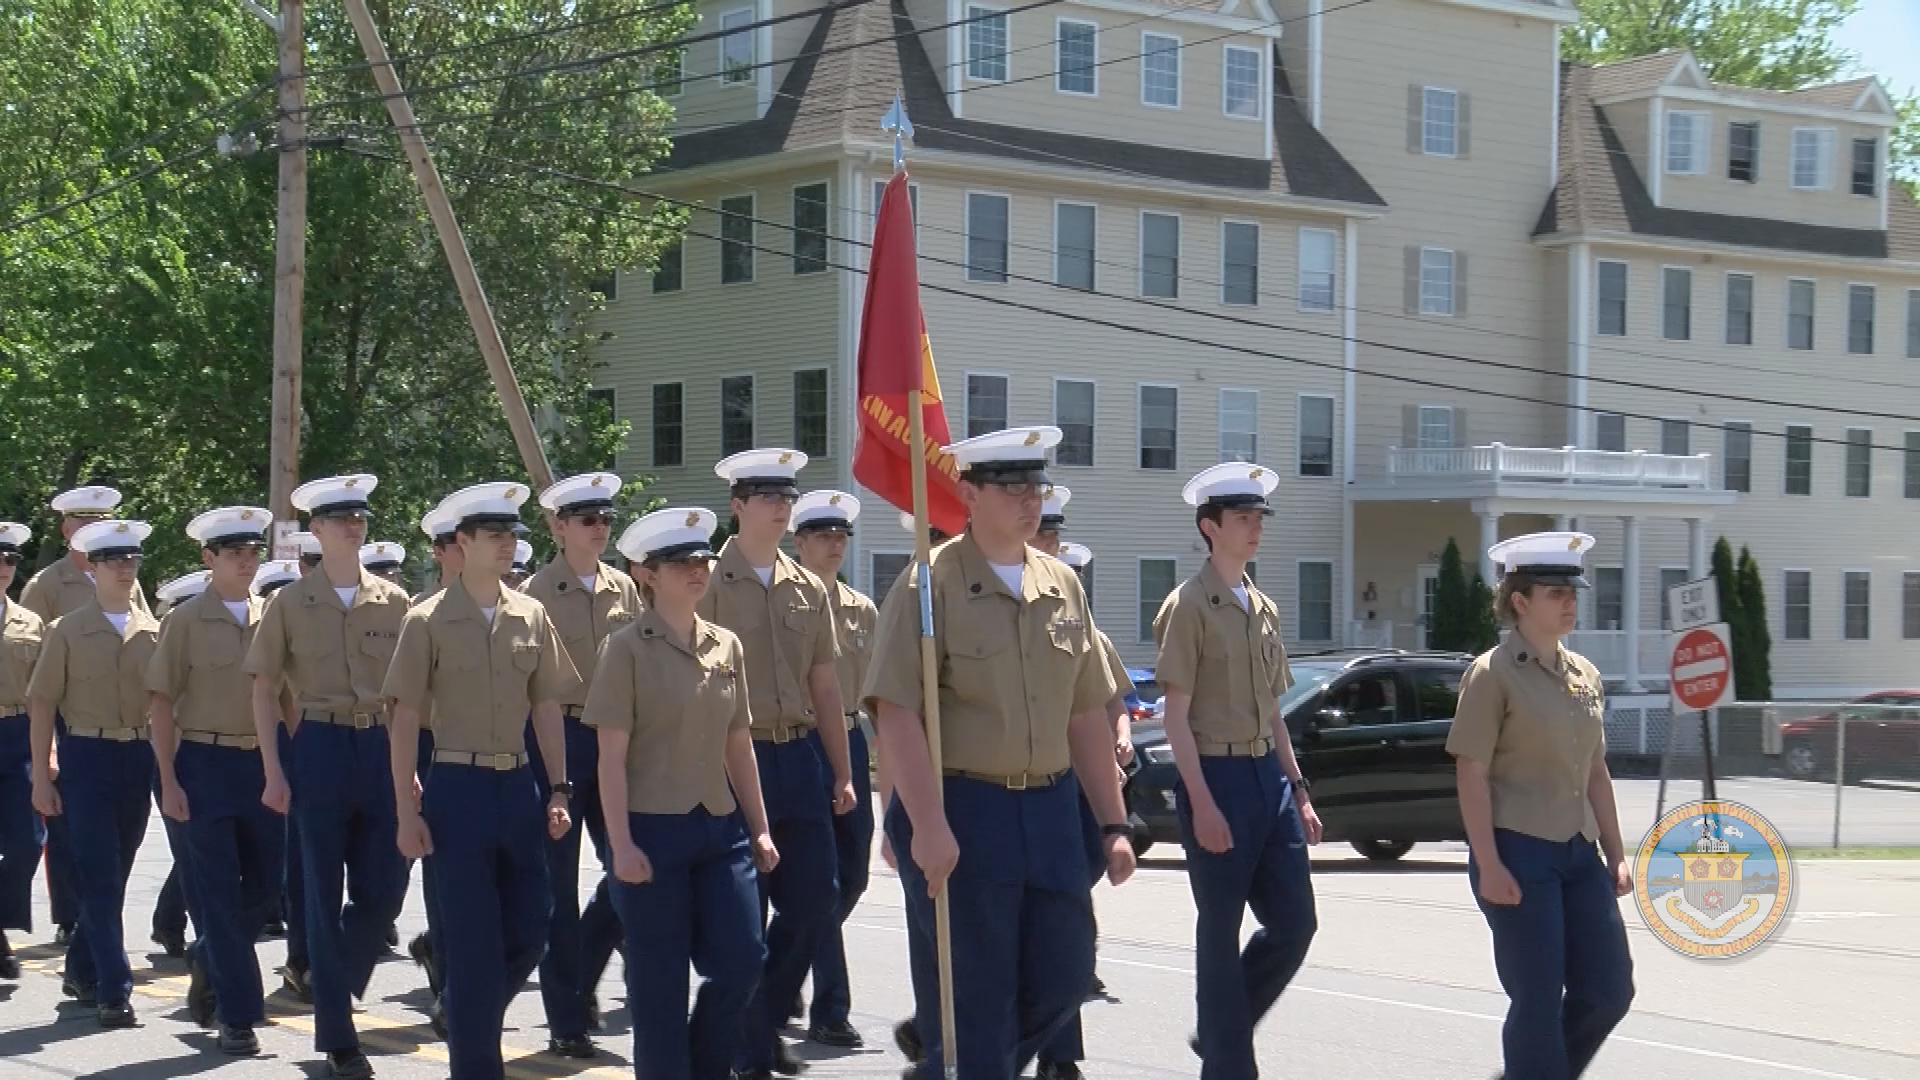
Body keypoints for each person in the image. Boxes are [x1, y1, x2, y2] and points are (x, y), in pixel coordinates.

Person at [865, 425, 1135, 1080]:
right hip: (965, 806)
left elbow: (1084, 713)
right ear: (968, 493)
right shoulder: (928, 585)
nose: (1029, 500)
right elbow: (897, 712)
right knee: (981, 998)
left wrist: (1114, 822)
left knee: (1067, 974)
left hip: (1048, 810)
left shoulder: (1061, 584)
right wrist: (925, 824)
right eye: (1011, 487)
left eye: (1035, 486)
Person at [385, 480, 577, 1080]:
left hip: (518, 788)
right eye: (494, 536)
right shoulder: (427, 621)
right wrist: (406, 809)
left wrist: (560, 787)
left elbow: (546, 706)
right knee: (470, 946)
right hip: (456, 789)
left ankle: (466, 1016)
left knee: (531, 930)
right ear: (461, 544)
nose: (506, 546)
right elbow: (404, 715)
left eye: (511, 536)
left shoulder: (532, 614)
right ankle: (475, 1064)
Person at [584, 506, 776, 1080]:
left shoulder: (726, 646)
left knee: (744, 961)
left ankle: (703, 1065)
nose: (697, 570)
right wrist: (619, 847)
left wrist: (760, 826)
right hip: (651, 830)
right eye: (681, 562)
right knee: (659, 982)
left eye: (702, 559)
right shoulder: (625, 649)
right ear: (647, 573)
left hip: (720, 827)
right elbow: (610, 758)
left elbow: (738, 744)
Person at [1152, 462, 1321, 1080]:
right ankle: (1229, 1064)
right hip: (1215, 779)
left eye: (1258, 519)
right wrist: (1202, 802)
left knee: (1296, 922)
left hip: (1267, 782)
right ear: (1210, 527)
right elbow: (1175, 718)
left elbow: (1275, 713)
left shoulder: (1264, 607)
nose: (1255, 529)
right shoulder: (1188, 606)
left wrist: (1299, 791)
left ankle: (1222, 1029)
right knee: (1219, 932)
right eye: (1243, 519)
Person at [1448, 531, 1635, 1080]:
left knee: (1608, 989)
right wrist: (1488, 863)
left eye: (1572, 589)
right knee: (1536, 996)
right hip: (1519, 851)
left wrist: (1617, 854)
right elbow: (1471, 772)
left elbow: (1597, 770)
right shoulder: (1492, 673)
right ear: (1520, 601)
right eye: (1555, 592)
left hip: (1580, 855)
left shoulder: (1586, 676)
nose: (1570, 601)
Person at [244, 474, 412, 1080]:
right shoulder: (290, 603)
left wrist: (408, 767)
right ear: (316, 530)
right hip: (316, 743)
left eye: (360, 516)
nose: (354, 525)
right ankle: (339, 1038)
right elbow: (264, 688)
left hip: (378, 742)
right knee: (319, 890)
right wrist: (273, 768)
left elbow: (407, 696)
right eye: (341, 517)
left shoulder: (394, 603)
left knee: (386, 889)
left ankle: (331, 975)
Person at [699, 448, 857, 1080]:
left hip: (798, 756)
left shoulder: (808, 588)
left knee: (819, 899)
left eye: (787, 497)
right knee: (747, 917)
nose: (781, 507)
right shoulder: (705, 581)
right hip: (734, 757)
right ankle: (750, 1047)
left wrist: (844, 770)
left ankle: (755, 1024)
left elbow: (826, 684)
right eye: (768, 497)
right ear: (738, 507)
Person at [148, 506, 284, 1055]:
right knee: (222, 896)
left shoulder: (273, 615)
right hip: (203, 762)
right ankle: (238, 1015)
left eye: (253, 553)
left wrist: (285, 769)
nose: (246, 562)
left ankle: (209, 956)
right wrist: (168, 780)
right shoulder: (184, 621)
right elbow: (159, 702)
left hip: (261, 763)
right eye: (234, 553)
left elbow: (286, 698)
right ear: (209, 559)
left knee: (266, 888)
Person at [27, 518, 161, 1027]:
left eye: (132, 561)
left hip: (137, 757)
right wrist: (42, 775)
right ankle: (113, 987)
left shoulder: (153, 632)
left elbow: (168, 706)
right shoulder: (66, 631)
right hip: (86, 756)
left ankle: (82, 965)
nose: (126, 569)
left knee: (118, 872)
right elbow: (42, 705)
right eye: (115, 561)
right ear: (93, 567)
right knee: (100, 877)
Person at [525, 472, 640, 1057]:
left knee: (632, 867)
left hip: (618, 740)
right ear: (558, 527)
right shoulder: (535, 594)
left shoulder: (627, 589)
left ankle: (588, 964)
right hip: (559, 738)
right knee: (558, 888)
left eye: (605, 521)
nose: (599, 530)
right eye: (587, 521)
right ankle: (566, 1019)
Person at [1033, 539, 1136, 1078]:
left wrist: (1118, 745)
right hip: (1018, 789)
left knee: (1066, 913)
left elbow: (1113, 702)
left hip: (1077, 789)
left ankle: (1057, 1051)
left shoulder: (1089, 638)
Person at [789, 489, 877, 1050]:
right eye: (823, 535)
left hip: (848, 736)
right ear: (798, 542)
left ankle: (790, 957)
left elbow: (874, 695)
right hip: (797, 740)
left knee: (854, 874)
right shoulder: (783, 602)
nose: (834, 544)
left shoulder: (860, 609)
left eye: (841, 535)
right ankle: (830, 1009)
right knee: (820, 883)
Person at [150, 571, 211, 962]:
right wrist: (169, 775)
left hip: (215, 758)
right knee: (192, 853)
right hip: (174, 759)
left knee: (196, 852)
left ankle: (169, 920)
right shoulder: (168, 650)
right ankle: (200, 939)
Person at [0, 521, 46, 980]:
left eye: (10, 560)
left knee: (27, 842)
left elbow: (43, 694)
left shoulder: (29, 622)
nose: (4, 568)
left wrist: (46, 747)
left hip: (18, 732)